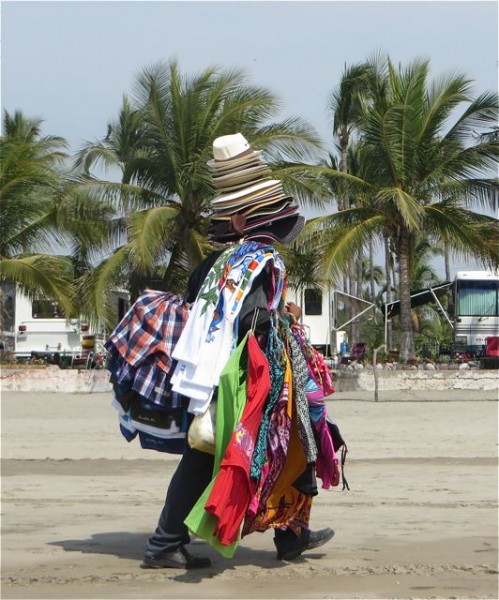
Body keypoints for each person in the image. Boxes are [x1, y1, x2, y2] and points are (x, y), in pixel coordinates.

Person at [140, 134, 336, 570]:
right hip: (244, 377)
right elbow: (251, 321)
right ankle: (168, 543)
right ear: (253, 219)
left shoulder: (213, 265)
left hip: (211, 375)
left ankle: (287, 534)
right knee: (295, 439)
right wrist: (282, 323)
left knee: (213, 453)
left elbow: (205, 308)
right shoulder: (260, 262)